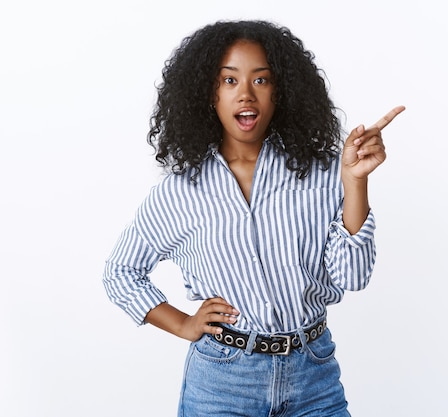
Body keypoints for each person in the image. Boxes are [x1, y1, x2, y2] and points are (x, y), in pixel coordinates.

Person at [103, 19, 404, 416]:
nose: (246, 94)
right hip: (222, 382)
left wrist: (354, 182)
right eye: (229, 81)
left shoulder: (325, 173)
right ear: (208, 93)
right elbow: (121, 272)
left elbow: (353, 277)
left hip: (313, 375)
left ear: (280, 90)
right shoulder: (180, 192)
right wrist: (183, 324)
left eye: (261, 80)